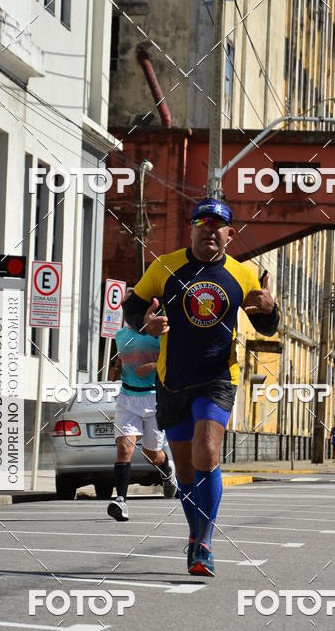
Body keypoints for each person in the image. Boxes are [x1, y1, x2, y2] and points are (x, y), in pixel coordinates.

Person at [123, 197, 280, 577]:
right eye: (202, 222)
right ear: (191, 228)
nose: (209, 229)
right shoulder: (165, 266)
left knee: (207, 452)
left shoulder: (243, 275)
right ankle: (195, 536)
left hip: (218, 377)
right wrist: (146, 322)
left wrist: (272, 308)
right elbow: (133, 308)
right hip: (172, 379)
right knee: (187, 471)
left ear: (230, 233)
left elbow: (267, 327)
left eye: (218, 224)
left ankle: (205, 544)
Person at [107, 291, 176, 521]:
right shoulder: (120, 335)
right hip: (127, 397)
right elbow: (122, 358)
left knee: (151, 454)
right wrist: (116, 370)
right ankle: (121, 501)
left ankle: (167, 472)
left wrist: (152, 366)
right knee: (124, 448)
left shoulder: (160, 334)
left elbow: (173, 360)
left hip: (154, 399)